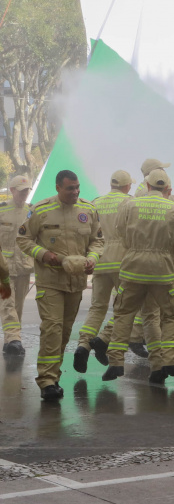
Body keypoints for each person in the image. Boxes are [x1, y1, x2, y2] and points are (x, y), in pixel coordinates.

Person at [18, 170, 101, 400]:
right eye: (70, 188)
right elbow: (23, 239)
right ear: (58, 188)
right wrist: (43, 254)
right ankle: (46, 382)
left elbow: (97, 240)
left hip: (75, 283)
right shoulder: (41, 210)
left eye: (77, 187)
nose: (75, 192)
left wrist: (93, 258)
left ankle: (54, 375)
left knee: (64, 332)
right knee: (52, 328)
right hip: (50, 281)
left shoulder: (88, 209)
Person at [101, 169, 174, 383]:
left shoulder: (130, 205)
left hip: (133, 269)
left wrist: (136, 249)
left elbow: (120, 232)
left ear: (147, 186)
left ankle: (115, 363)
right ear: (167, 189)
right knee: (168, 316)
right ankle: (167, 361)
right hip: (163, 271)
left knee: (124, 314)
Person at [74, 170, 134, 371]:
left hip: (99, 259)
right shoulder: (129, 202)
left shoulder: (95, 202)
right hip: (122, 262)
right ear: (127, 186)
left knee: (97, 307)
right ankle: (103, 338)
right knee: (125, 307)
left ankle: (83, 344)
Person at [0, 175, 33, 356]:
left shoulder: (31, 212)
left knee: (18, 305)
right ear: (12, 190)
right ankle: (14, 339)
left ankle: (11, 340)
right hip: (3, 267)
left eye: (27, 190)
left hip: (23, 267)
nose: (25, 194)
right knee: (7, 303)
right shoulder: (1, 210)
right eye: (21, 191)